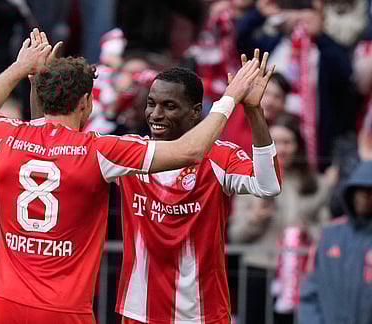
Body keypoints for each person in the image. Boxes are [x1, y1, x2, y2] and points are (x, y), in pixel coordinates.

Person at [0, 28, 260, 323]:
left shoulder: (8, 139)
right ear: (85, 102)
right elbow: (192, 150)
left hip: (4, 300)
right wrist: (230, 99)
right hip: (63, 307)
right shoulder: (99, 151)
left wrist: (22, 67)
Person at [115, 49, 281, 324]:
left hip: (203, 314)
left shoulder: (219, 156)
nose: (155, 114)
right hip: (139, 312)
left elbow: (269, 185)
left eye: (169, 106)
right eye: (151, 103)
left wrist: (253, 111)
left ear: (195, 111)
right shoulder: (129, 154)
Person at [228, 113, 337, 324]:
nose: (281, 148)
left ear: (298, 145)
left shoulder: (316, 184)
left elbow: (326, 233)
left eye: (287, 142)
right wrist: (255, 219)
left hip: (300, 274)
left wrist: (306, 232)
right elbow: (235, 236)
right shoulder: (249, 179)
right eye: (275, 141)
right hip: (258, 272)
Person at [298, 127, 372, 324]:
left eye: (370, 191)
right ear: (350, 193)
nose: (364, 197)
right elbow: (309, 290)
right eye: (360, 191)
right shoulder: (329, 235)